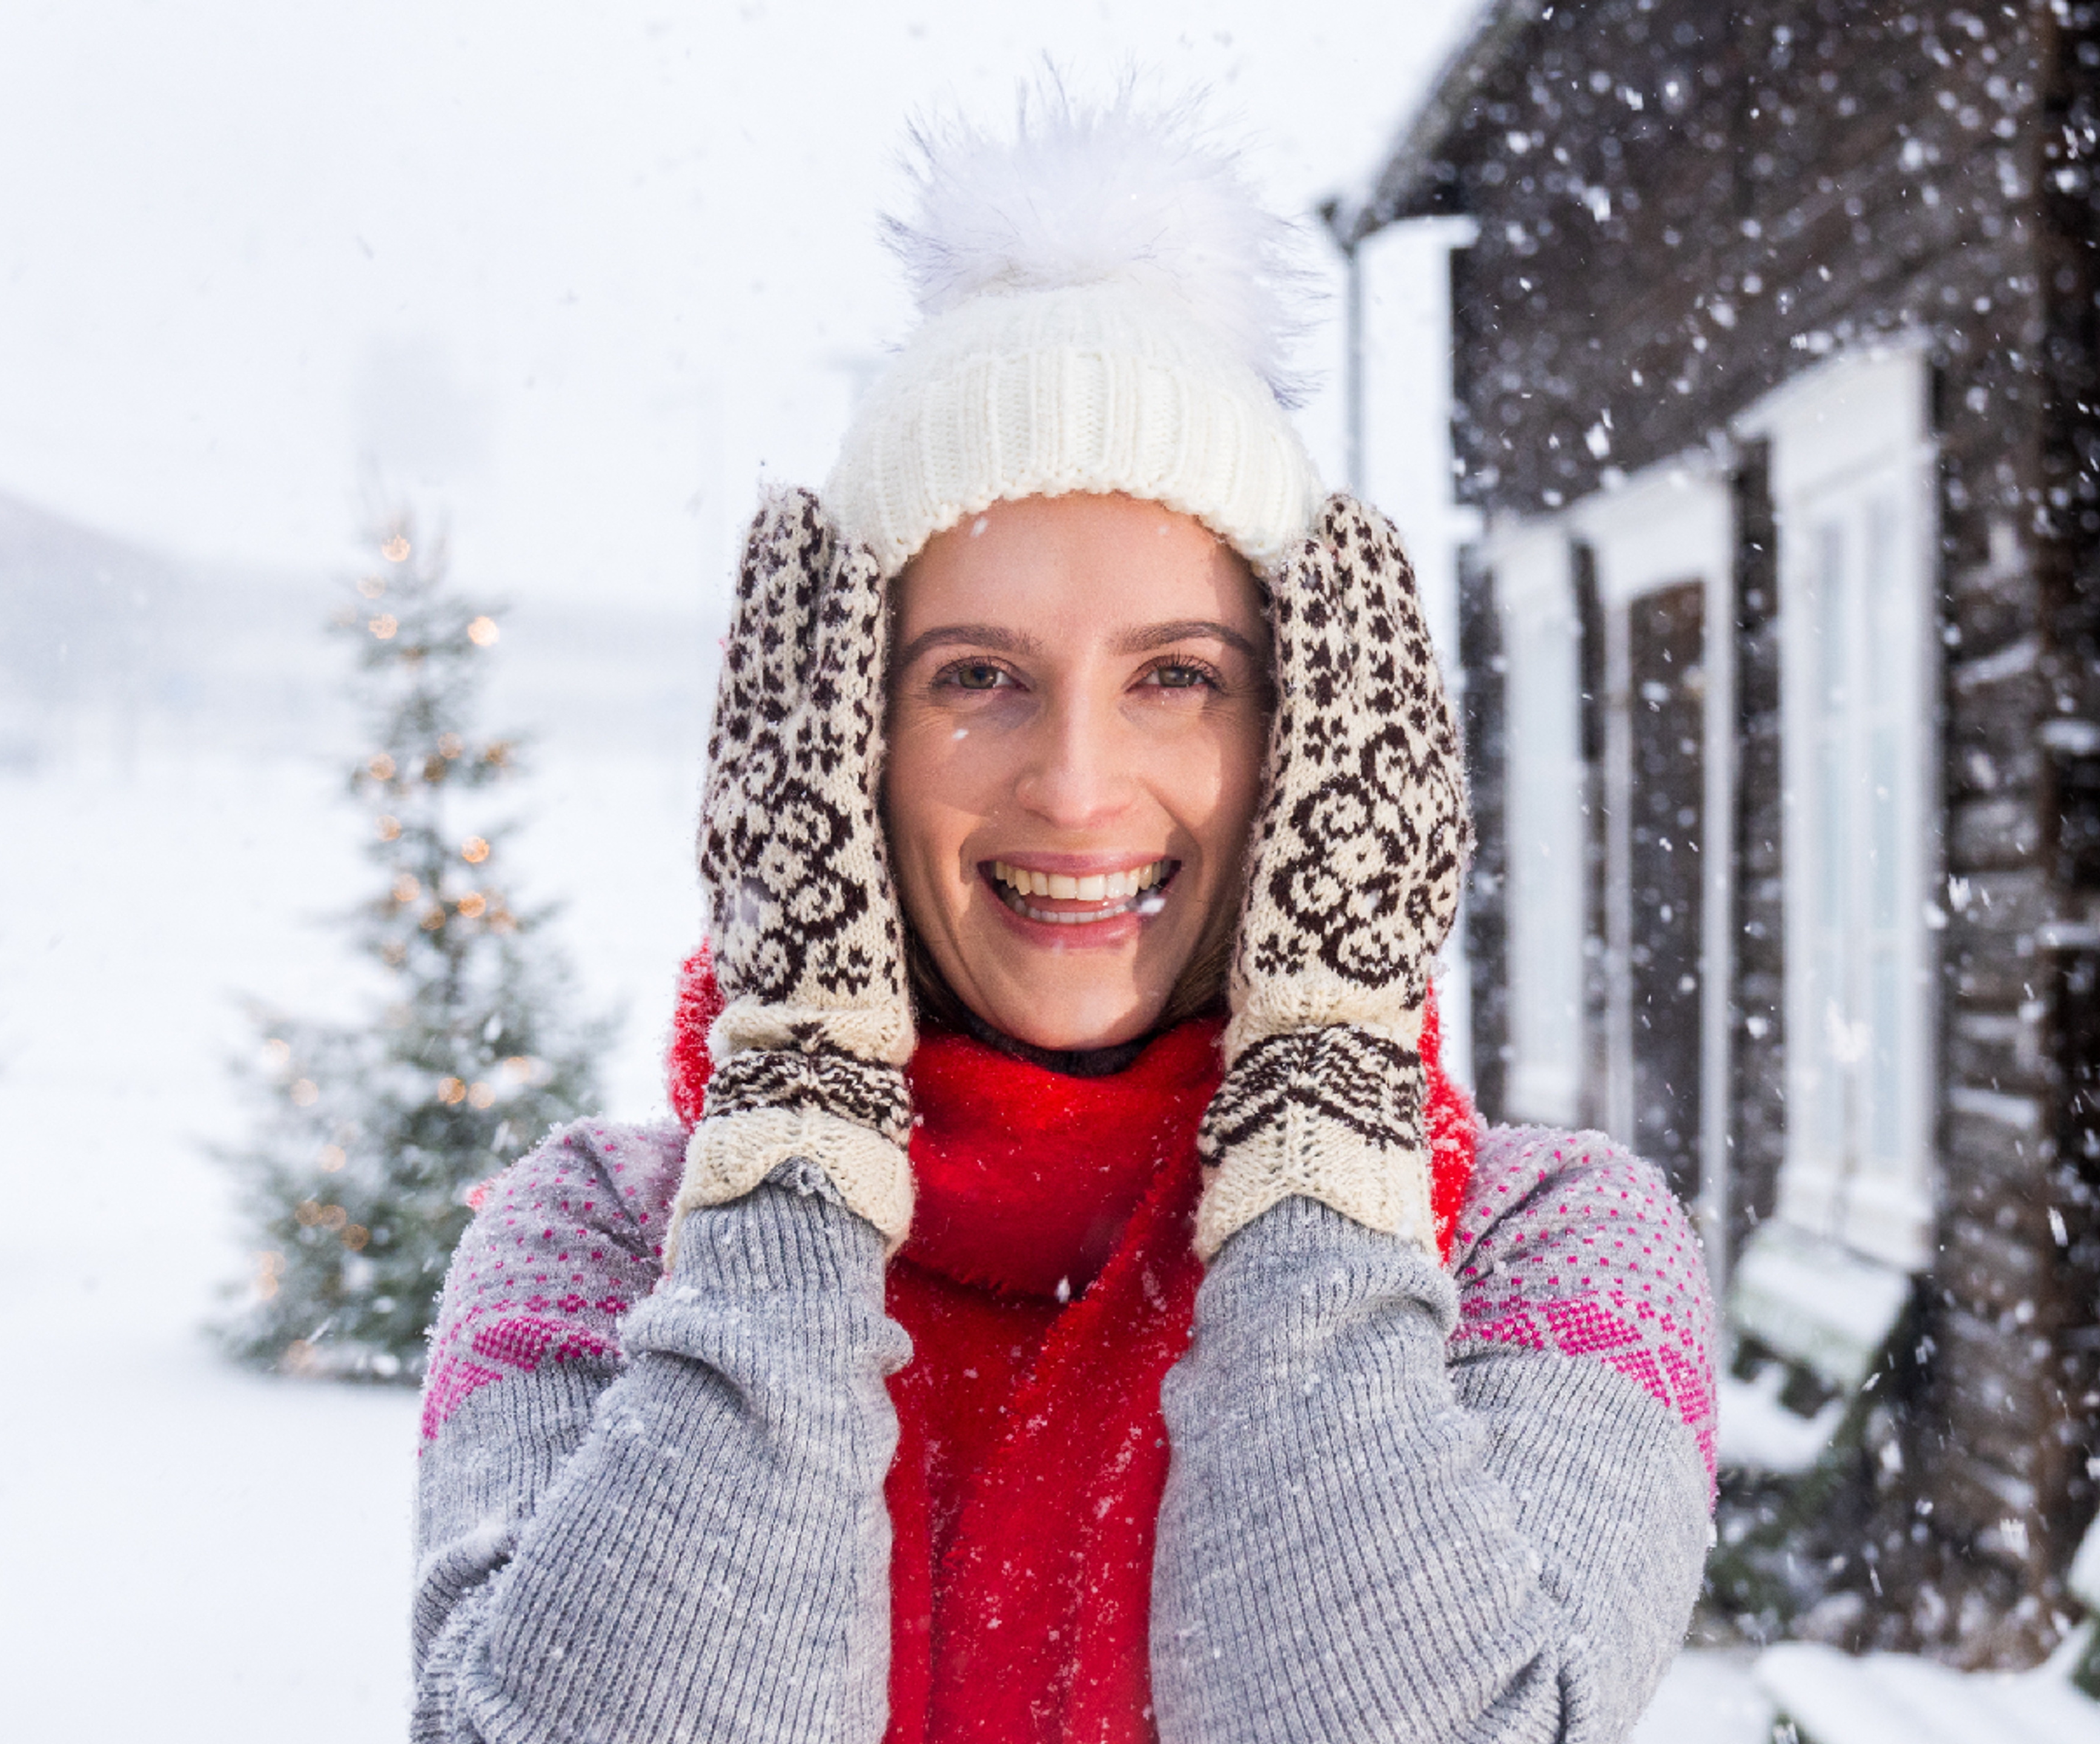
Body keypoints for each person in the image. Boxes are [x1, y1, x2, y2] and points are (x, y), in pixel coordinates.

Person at [410, 87, 1715, 1744]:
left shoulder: (1543, 1253)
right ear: (837, 740)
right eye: (978, 680)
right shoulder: (605, 1244)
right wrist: (804, 1103)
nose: (1081, 787)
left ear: (1312, 734)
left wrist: (1324, 1088)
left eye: (1179, 678)